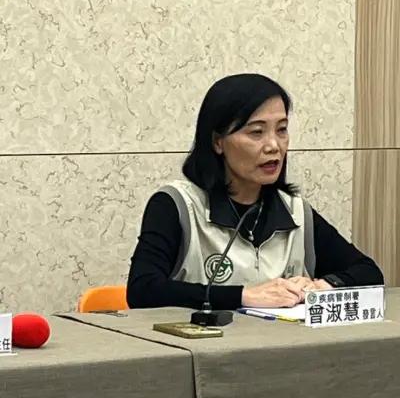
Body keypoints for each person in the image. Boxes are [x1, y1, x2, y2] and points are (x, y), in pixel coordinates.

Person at [128, 73, 383, 309]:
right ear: (218, 142)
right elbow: (143, 290)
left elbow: (368, 272)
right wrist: (244, 296)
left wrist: (321, 286)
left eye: (281, 130)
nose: (274, 146)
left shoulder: (295, 210)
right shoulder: (178, 205)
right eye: (256, 132)